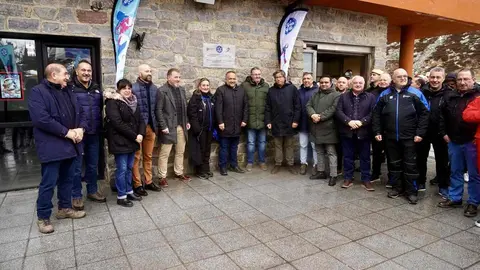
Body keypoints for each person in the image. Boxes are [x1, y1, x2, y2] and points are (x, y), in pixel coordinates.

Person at [28, 63, 87, 234]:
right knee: (49, 182)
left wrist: (81, 129)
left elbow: (81, 113)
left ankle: (64, 208)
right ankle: (43, 217)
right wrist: (66, 132)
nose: (68, 77)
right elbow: (41, 119)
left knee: (67, 179)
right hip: (52, 146)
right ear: (53, 75)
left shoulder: (68, 91)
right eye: (65, 74)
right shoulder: (38, 92)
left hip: (71, 144)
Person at [372, 68, 429, 204]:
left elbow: (425, 114)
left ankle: (411, 191)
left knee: (410, 165)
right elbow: (376, 114)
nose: (403, 78)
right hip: (390, 137)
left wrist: (420, 133)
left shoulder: (415, 93)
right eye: (399, 76)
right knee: (394, 164)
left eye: (405, 76)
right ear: (393, 79)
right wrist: (377, 131)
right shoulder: (385, 94)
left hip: (410, 137)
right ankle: (396, 187)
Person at [438, 69, 480, 217]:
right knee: (455, 171)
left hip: (472, 142)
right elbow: (442, 116)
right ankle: (455, 198)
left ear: (473, 80)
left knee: (474, 174)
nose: (462, 82)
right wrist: (444, 133)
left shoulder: (478, 97)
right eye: (460, 79)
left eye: (466, 79)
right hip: (453, 141)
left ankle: (473, 202)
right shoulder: (451, 96)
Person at [71, 60, 106, 211]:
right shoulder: (70, 89)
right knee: (76, 167)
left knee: (93, 165)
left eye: (89, 71)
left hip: (94, 133)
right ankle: (76, 195)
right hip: (78, 135)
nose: (86, 73)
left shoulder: (96, 88)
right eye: (83, 70)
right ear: (76, 72)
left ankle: (92, 191)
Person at [105, 79, 145, 207]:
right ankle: (121, 196)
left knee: (129, 168)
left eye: (129, 88)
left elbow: (141, 120)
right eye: (124, 88)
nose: (127, 90)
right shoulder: (113, 102)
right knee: (122, 169)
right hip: (120, 141)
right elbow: (117, 123)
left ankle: (129, 191)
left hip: (132, 141)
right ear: (118, 90)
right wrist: (135, 136)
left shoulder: (134, 101)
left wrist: (141, 133)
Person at [336, 76, 376, 190]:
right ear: (351, 84)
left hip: (364, 132)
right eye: (355, 83)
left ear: (364, 84)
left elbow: (373, 113)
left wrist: (362, 122)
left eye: (360, 83)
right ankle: (348, 178)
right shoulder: (343, 97)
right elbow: (338, 111)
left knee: (365, 157)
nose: (358, 84)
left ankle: (366, 179)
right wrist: (348, 121)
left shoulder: (371, 97)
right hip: (347, 132)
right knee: (348, 157)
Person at [417, 67, 450, 197]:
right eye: (432, 77)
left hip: (440, 132)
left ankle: (443, 185)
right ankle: (420, 182)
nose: (435, 80)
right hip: (423, 131)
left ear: (443, 78)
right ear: (428, 77)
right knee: (420, 159)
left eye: (438, 77)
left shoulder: (449, 94)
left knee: (442, 161)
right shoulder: (421, 92)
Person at [156, 68, 191, 186]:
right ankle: (162, 177)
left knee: (180, 151)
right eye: (176, 77)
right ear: (168, 77)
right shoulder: (162, 91)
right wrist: (163, 126)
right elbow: (158, 110)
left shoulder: (181, 89)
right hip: (168, 127)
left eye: (179, 77)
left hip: (181, 126)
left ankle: (179, 172)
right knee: (164, 153)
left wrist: (187, 121)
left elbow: (184, 108)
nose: (178, 79)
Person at [131, 64, 162, 195]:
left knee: (148, 156)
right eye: (146, 71)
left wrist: (157, 126)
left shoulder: (155, 88)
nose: (149, 72)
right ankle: (137, 184)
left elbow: (157, 109)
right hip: (138, 129)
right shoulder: (133, 88)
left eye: (150, 70)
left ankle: (148, 181)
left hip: (151, 127)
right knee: (136, 157)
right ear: (139, 73)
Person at [307, 75, 341, 185]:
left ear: (331, 83)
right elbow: (308, 105)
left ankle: (333, 175)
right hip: (315, 127)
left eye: (326, 82)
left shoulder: (336, 95)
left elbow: (333, 109)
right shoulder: (315, 94)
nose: (324, 84)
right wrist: (312, 115)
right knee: (319, 151)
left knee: (331, 152)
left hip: (329, 128)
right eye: (322, 82)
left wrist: (320, 117)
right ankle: (321, 172)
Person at [265, 70, 300, 175]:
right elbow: (268, 107)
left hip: (289, 122)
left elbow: (297, 106)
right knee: (278, 145)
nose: (278, 79)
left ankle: (290, 163)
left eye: (280, 77)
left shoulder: (292, 89)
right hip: (276, 122)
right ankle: (278, 163)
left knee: (289, 145)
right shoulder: (271, 90)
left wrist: (295, 120)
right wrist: (268, 121)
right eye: (276, 77)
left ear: (285, 78)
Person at [215, 71, 248, 175]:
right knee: (224, 147)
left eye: (234, 79)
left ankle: (234, 165)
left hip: (237, 125)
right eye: (230, 79)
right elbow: (218, 108)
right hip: (225, 125)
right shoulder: (221, 90)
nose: (232, 80)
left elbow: (246, 107)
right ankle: (223, 166)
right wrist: (220, 122)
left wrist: (244, 120)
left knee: (234, 147)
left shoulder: (242, 91)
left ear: (236, 79)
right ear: (226, 79)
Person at [242, 67, 269, 172]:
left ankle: (262, 162)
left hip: (262, 120)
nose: (257, 76)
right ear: (251, 75)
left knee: (262, 142)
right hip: (250, 120)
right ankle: (249, 162)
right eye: (255, 74)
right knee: (251, 143)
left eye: (259, 74)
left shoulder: (266, 86)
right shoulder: (244, 86)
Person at [187, 78, 215, 179]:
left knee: (207, 150)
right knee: (200, 150)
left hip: (209, 129)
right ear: (199, 86)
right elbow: (192, 114)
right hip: (200, 130)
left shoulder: (211, 98)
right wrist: (197, 129)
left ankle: (206, 169)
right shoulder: (195, 98)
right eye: (203, 85)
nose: (206, 87)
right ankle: (199, 171)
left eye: (207, 85)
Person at [463, 94, 480, 226]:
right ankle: (473, 202)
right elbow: (467, 115)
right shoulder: (478, 100)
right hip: (477, 143)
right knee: (475, 174)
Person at [370, 73, 391, 183]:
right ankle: (375, 173)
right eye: (381, 80)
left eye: (385, 80)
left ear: (390, 81)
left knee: (391, 153)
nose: (383, 82)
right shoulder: (373, 93)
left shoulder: (393, 92)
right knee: (376, 152)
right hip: (377, 126)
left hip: (390, 127)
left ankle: (391, 176)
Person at [298, 72, 319, 175]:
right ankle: (303, 163)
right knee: (303, 145)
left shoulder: (318, 91)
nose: (306, 80)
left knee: (315, 145)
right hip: (302, 122)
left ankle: (316, 164)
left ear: (312, 80)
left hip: (314, 123)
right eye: (304, 78)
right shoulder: (299, 91)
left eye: (308, 78)